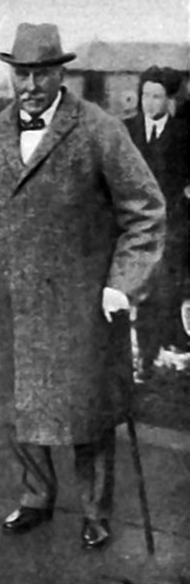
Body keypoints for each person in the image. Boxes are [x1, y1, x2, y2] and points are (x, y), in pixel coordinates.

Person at [0, 23, 166, 550]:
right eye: (22, 73)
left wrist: (121, 284)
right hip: (17, 298)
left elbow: (146, 211)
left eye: (42, 73)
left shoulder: (98, 128)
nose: (31, 84)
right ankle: (36, 496)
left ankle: (96, 510)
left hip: (83, 301)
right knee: (20, 408)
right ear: (12, 74)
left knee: (86, 410)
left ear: (62, 73)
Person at [124, 66, 189, 373]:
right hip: (134, 224)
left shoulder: (184, 133)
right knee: (137, 290)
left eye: (157, 96)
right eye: (145, 95)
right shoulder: (125, 130)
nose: (150, 103)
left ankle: (151, 355)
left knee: (164, 289)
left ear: (169, 99)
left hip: (173, 225)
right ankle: (143, 358)